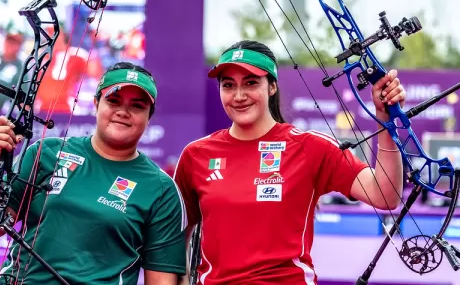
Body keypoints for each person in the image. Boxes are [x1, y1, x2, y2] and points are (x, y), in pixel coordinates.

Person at [173, 40, 407, 284]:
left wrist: (386, 120)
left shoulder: (310, 147)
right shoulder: (196, 155)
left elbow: (385, 196)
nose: (239, 95)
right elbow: (174, 242)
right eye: (228, 85)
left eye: (251, 83)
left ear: (272, 86)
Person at [0, 62, 188, 285]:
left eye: (137, 106)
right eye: (113, 100)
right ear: (96, 104)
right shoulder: (46, 152)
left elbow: (161, 281)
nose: (123, 112)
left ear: (149, 116)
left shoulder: (161, 189)